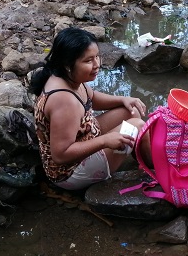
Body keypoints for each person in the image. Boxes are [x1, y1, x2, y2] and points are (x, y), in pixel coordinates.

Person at [30, 27, 151, 190]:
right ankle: (154, 169)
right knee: (137, 125)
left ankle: (144, 160)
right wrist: (104, 141)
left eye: (97, 57)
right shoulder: (63, 101)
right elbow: (60, 155)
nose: (97, 65)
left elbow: (91, 97)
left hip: (84, 135)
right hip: (69, 173)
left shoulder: (67, 77)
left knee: (131, 110)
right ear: (68, 64)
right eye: (88, 61)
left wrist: (124, 99)